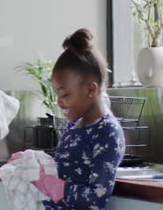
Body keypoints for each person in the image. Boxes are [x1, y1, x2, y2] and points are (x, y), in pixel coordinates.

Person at [32, 28, 126, 209]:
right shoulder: (76, 126)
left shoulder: (107, 132)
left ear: (90, 90)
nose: (59, 102)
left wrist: (57, 187)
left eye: (64, 95)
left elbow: (96, 199)